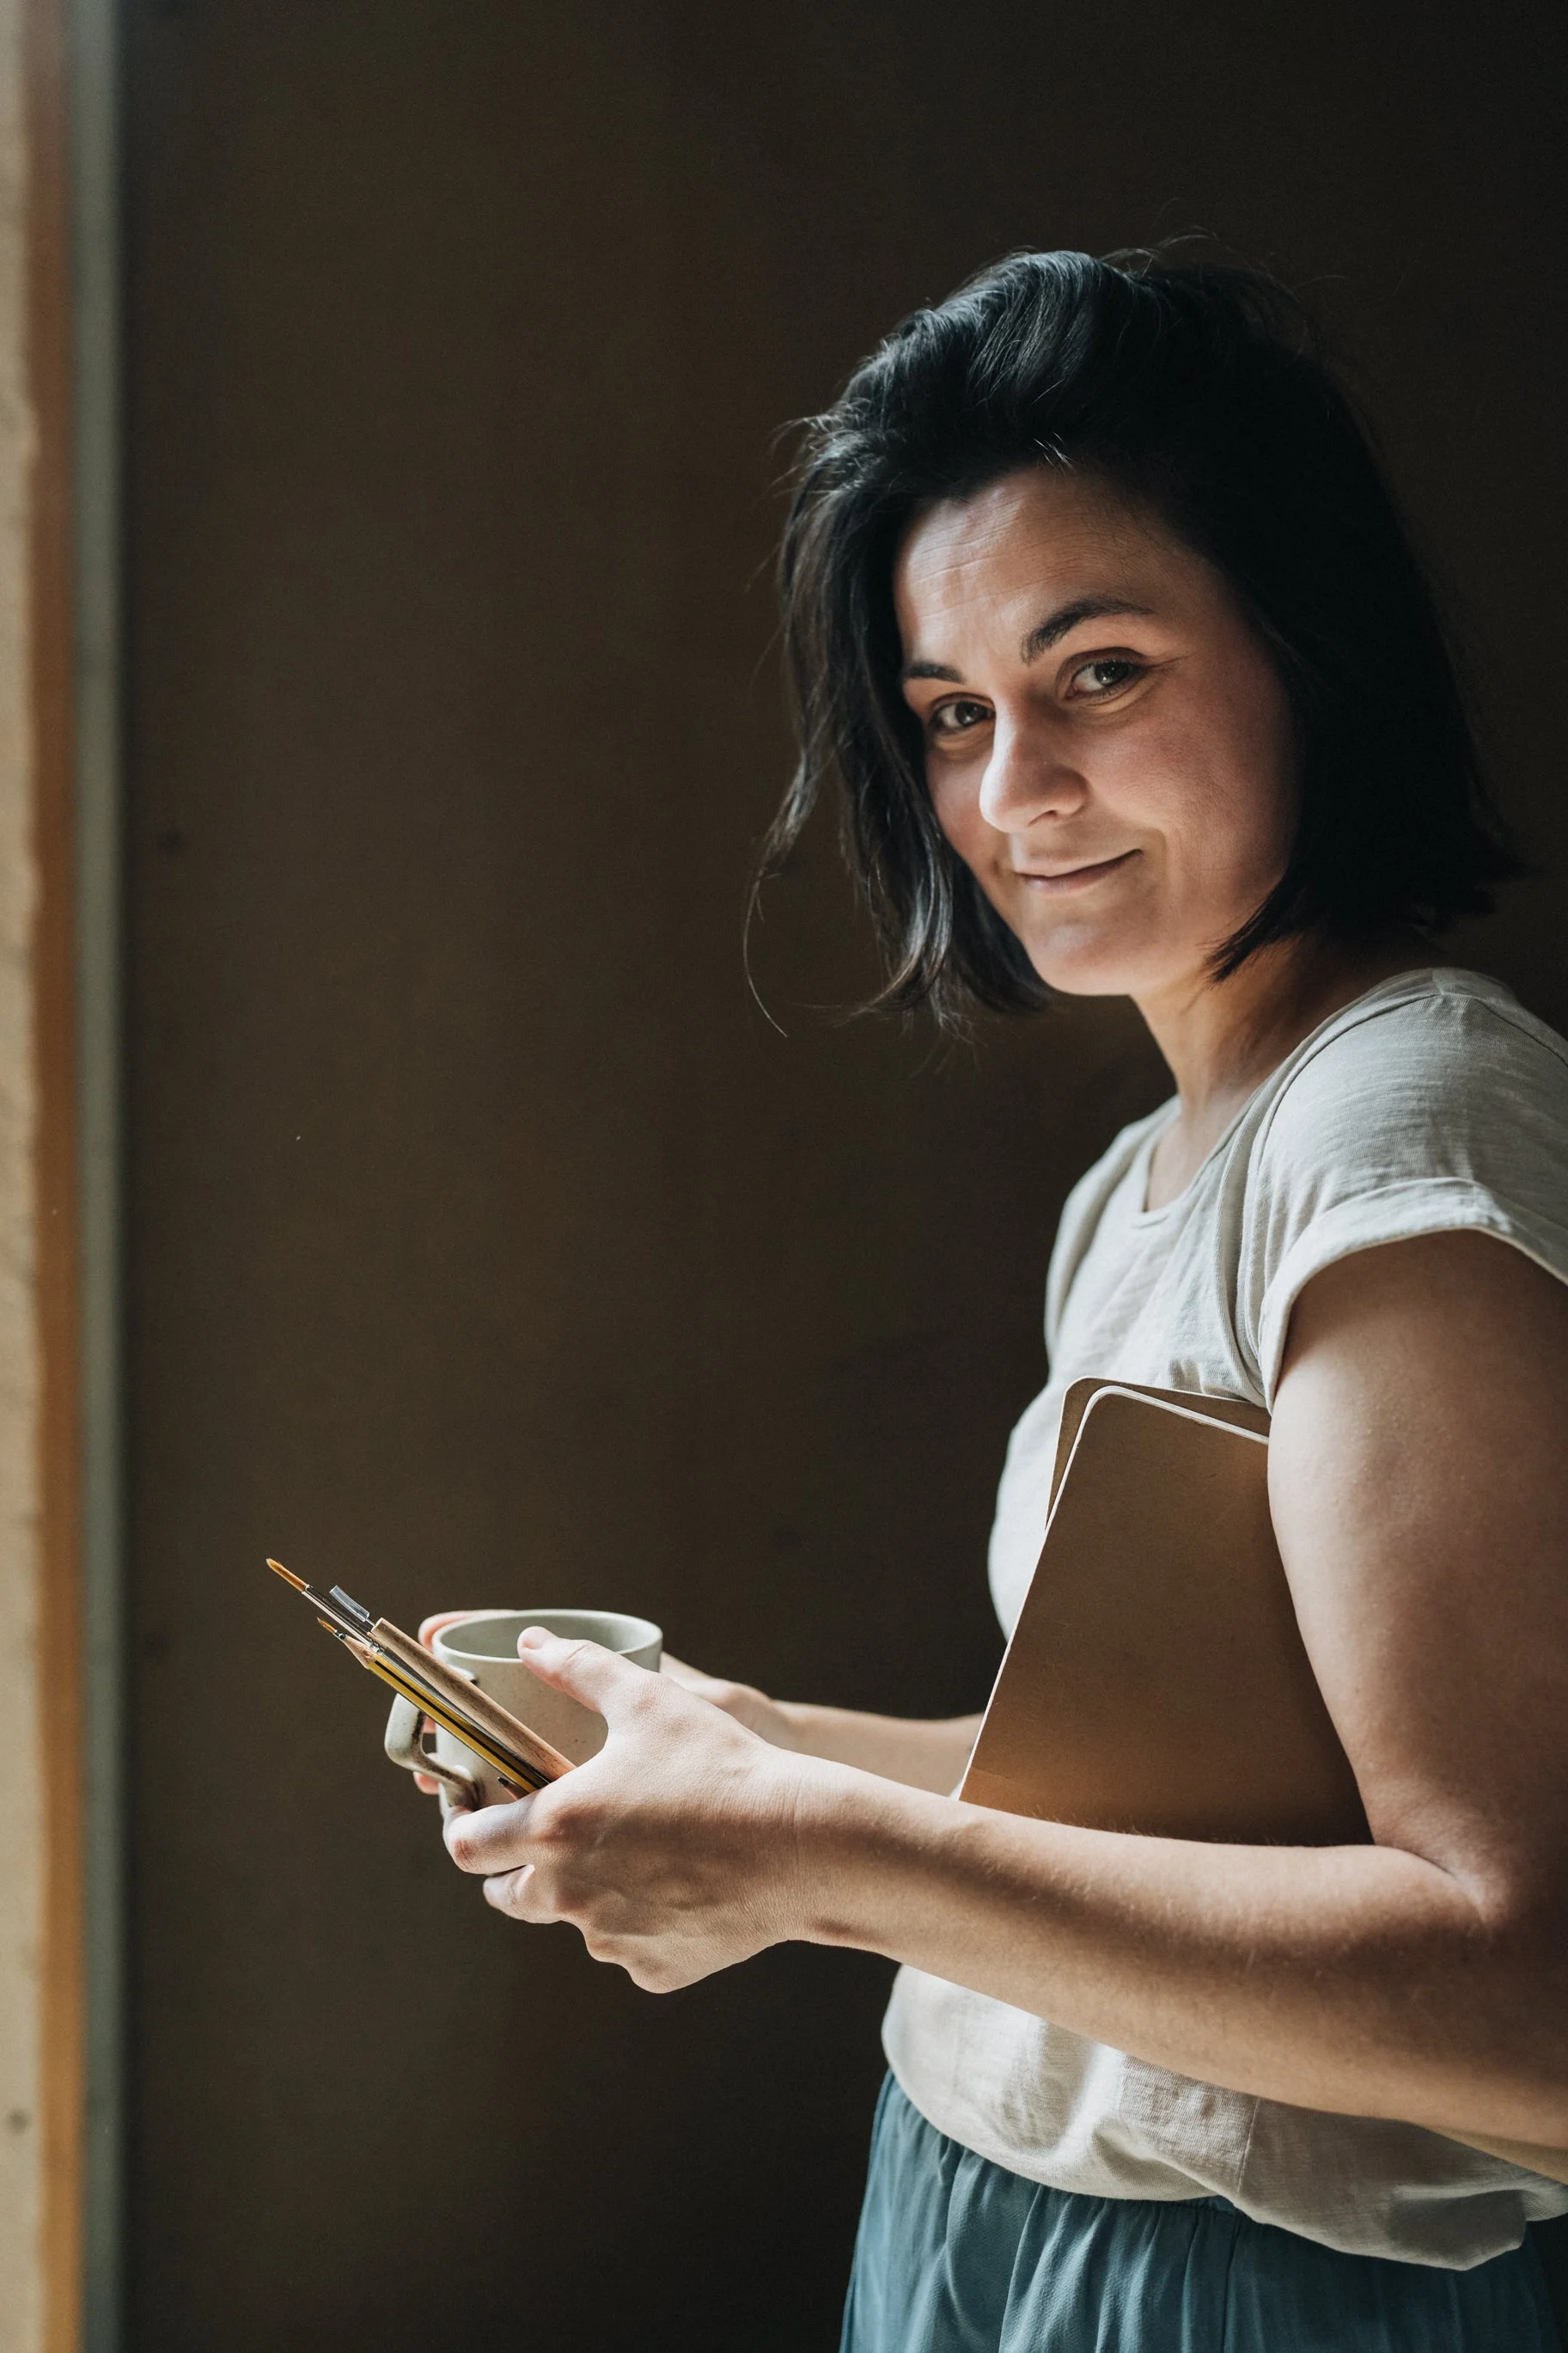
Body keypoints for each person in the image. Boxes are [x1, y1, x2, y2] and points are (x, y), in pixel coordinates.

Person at [422, 252, 1568, 2351]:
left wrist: (815, 1861)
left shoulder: (1410, 1117)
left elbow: (1528, 1993)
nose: (1015, 792)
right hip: (980, 2211)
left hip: (1255, 2293)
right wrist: (726, 1746)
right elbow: (1131, 1797)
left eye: (1101, 669)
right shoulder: (1144, 1173)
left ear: (1310, 647)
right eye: (952, 713)